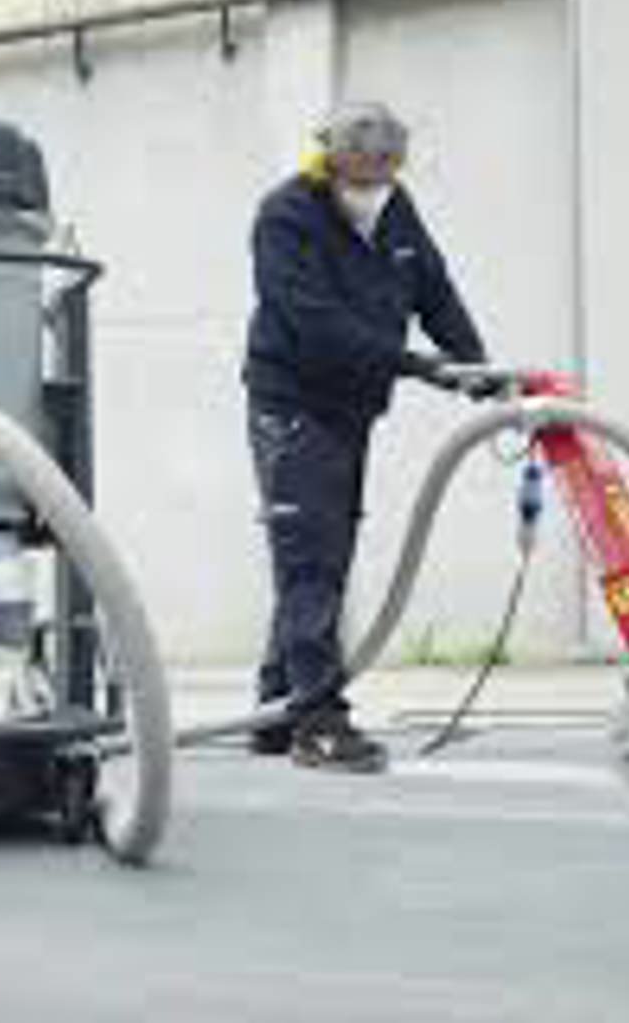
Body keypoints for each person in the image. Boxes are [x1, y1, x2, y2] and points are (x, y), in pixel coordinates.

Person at [241, 101, 491, 772]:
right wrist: (415, 365)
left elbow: (433, 289)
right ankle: (318, 722)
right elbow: (312, 323)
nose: (375, 182)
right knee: (311, 559)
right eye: (362, 170)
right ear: (330, 160)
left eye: (387, 169)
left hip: (351, 410)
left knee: (323, 554)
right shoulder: (286, 216)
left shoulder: (394, 208)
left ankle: (276, 708)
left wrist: (475, 364)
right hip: (293, 406)